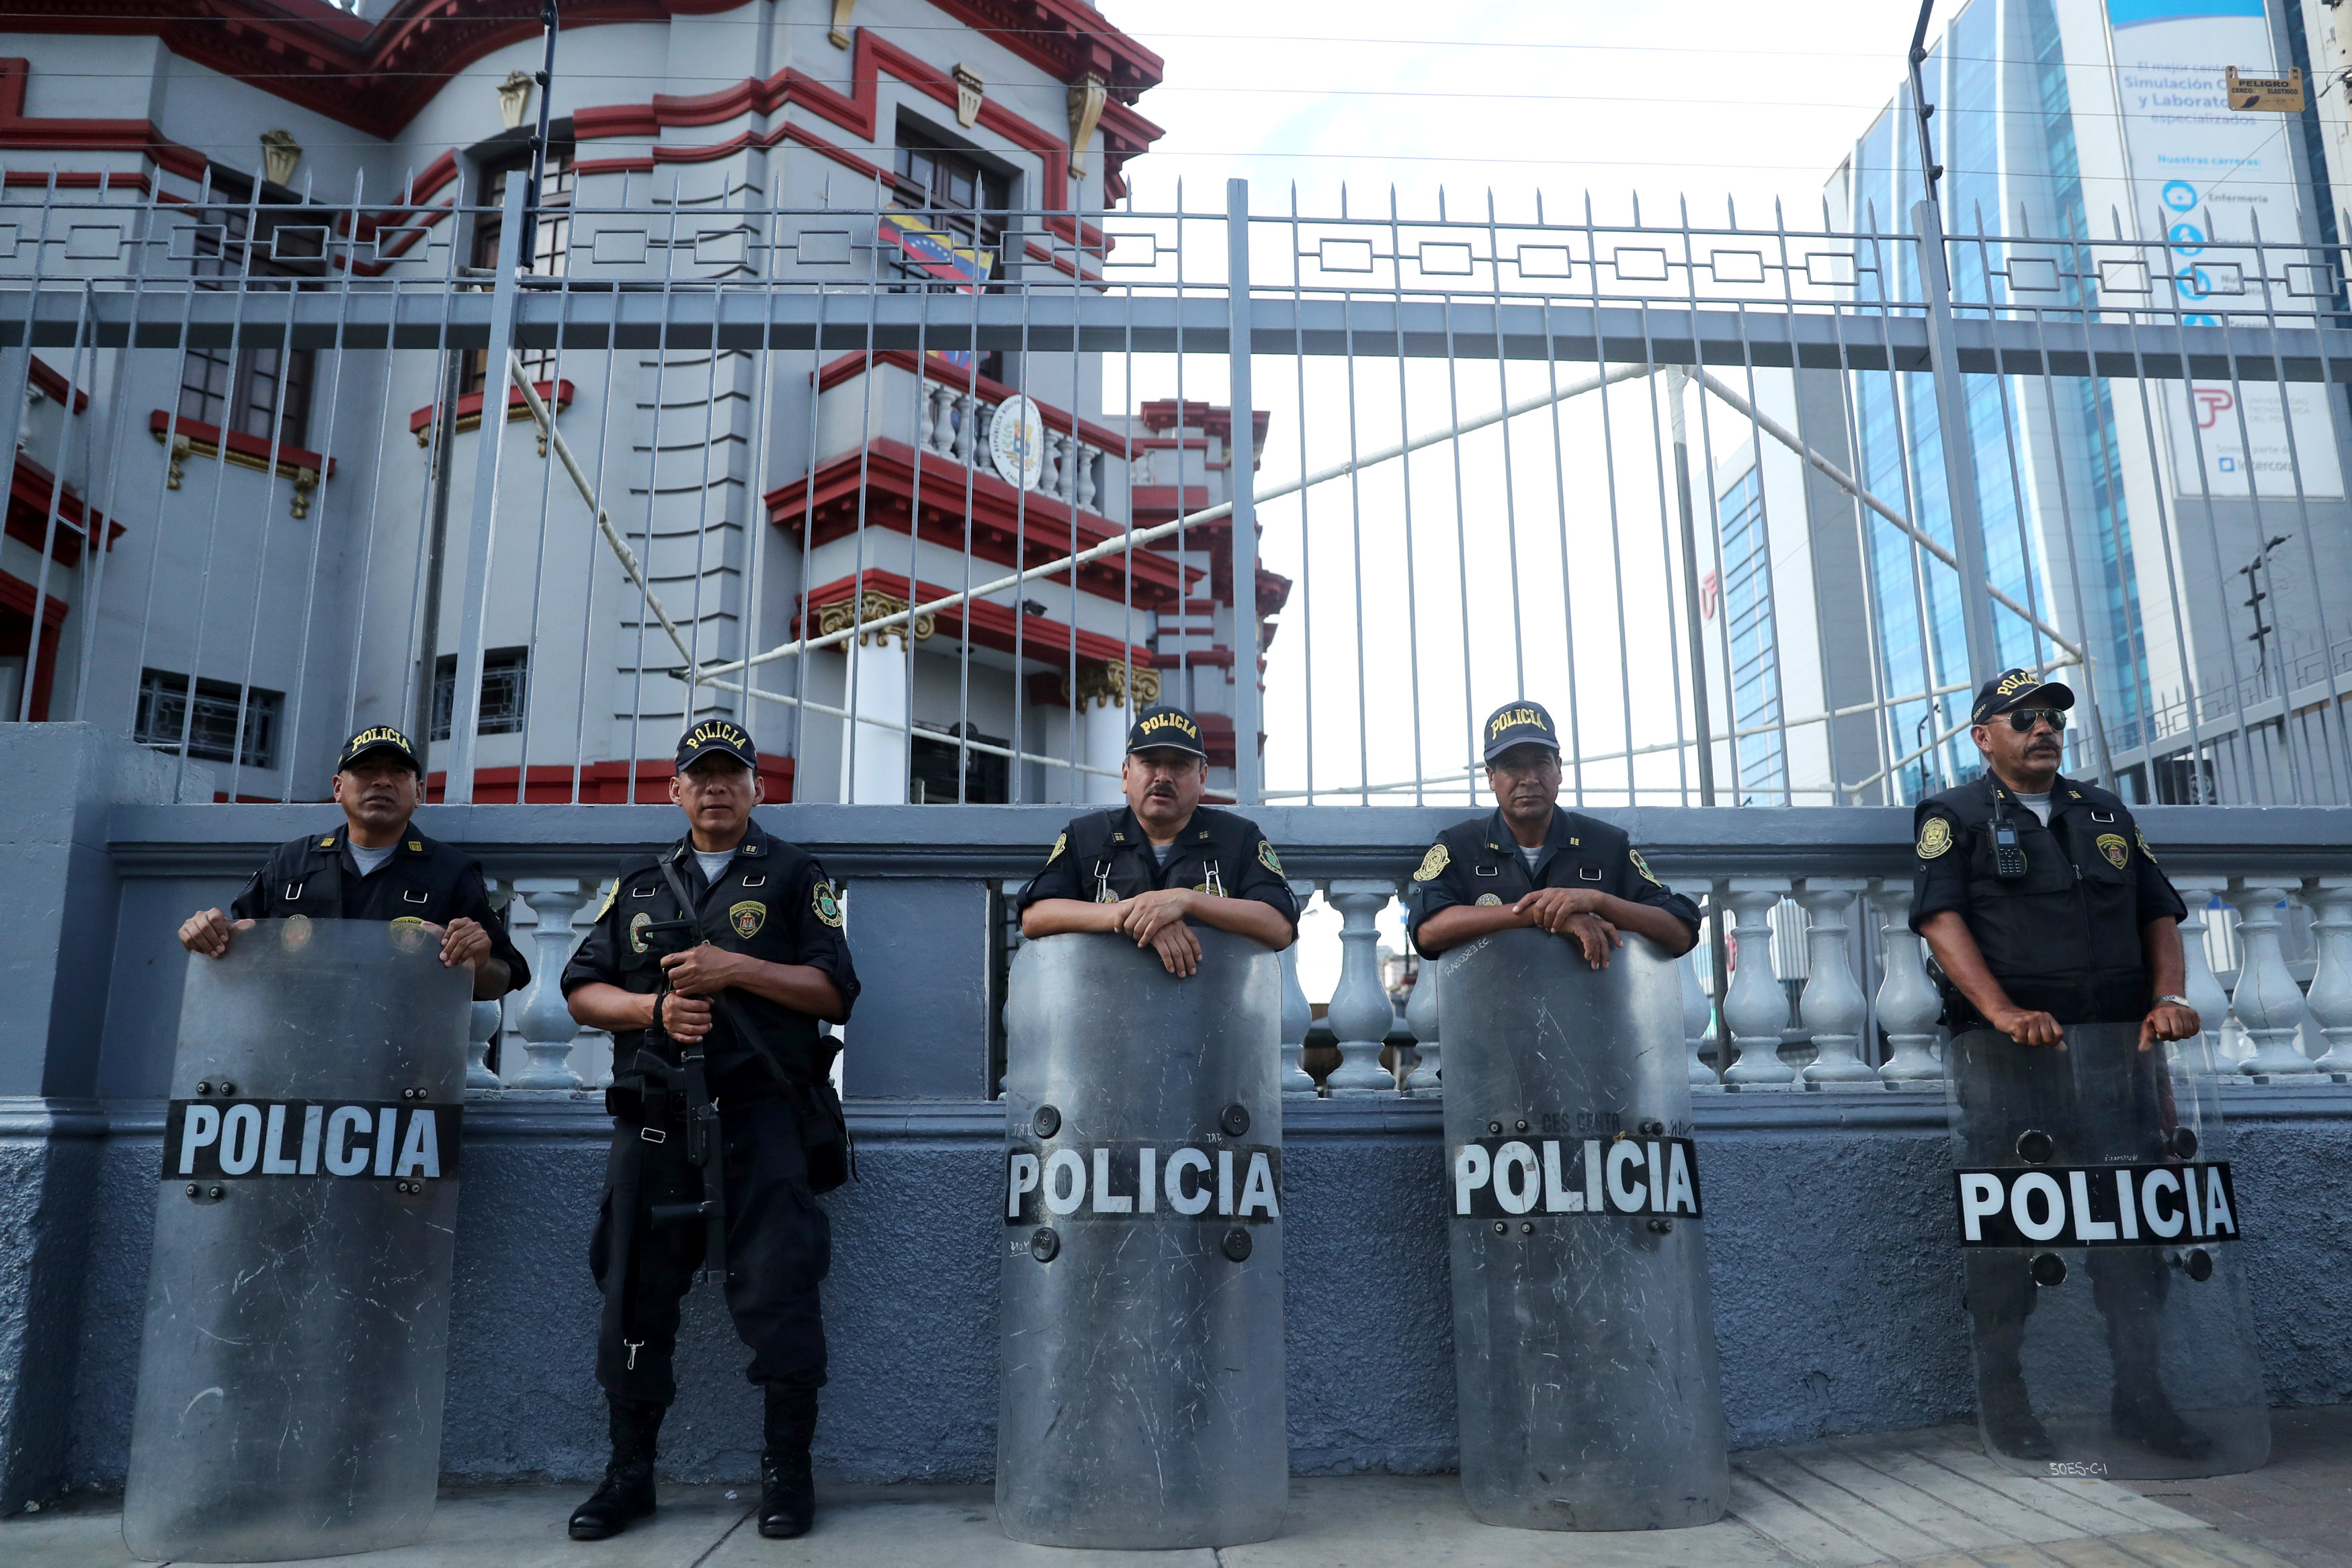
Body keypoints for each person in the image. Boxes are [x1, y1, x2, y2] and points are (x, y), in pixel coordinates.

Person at [560, 720, 858, 1542]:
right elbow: (580, 991)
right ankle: (629, 1475)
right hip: (657, 1124)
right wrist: (651, 1008)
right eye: (701, 775)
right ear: (676, 791)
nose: (716, 788)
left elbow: (836, 992)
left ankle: (785, 1475)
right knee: (633, 1292)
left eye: (732, 775)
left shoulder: (797, 876)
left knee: (780, 1290)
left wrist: (738, 969)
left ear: (758, 789)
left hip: (761, 1119)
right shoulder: (642, 887)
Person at [1912, 668, 2206, 1463]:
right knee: (2008, 1234)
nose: (2042, 728)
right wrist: (2003, 1011)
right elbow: (1939, 922)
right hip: (2010, 1061)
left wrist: (2168, 996)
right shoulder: (1955, 816)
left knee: (2131, 1235)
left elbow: (2157, 912)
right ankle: (2007, 1402)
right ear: (1983, 737)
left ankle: (2140, 1399)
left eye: (2050, 717)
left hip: (2117, 1057)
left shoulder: (2104, 813)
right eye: (2022, 719)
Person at [176, 724, 526, 999]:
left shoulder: (450, 871)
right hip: (291, 1059)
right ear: (338, 788)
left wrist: (477, 962)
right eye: (366, 770)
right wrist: (207, 932)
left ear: (418, 792)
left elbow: (504, 976)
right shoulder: (289, 864)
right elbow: (236, 947)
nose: (382, 781)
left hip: (404, 1070)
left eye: (398, 772)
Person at [1406, 700, 1699, 963]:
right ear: (1491, 777)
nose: (1530, 779)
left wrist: (1597, 902)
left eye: (1541, 763)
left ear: (1559, 769)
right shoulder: (1460, 846)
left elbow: (1679, 931)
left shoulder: (1607, 845)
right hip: (1492, 1017)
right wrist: (1541, 916)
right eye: (1512, 767)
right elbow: (1428, 930)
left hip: (1593, 1017)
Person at [1017, 703, 1297, 971]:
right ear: (1126, 775)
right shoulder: (1087, 836)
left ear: (1202, 779)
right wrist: (1135, 914)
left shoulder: (1238, 838)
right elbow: (1035, 917)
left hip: (1213, 1010)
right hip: (1103, 1009)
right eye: (1149, 763)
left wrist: (1185, 901)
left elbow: (1280, 926)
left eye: (1179, 765)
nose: (1163, 777)